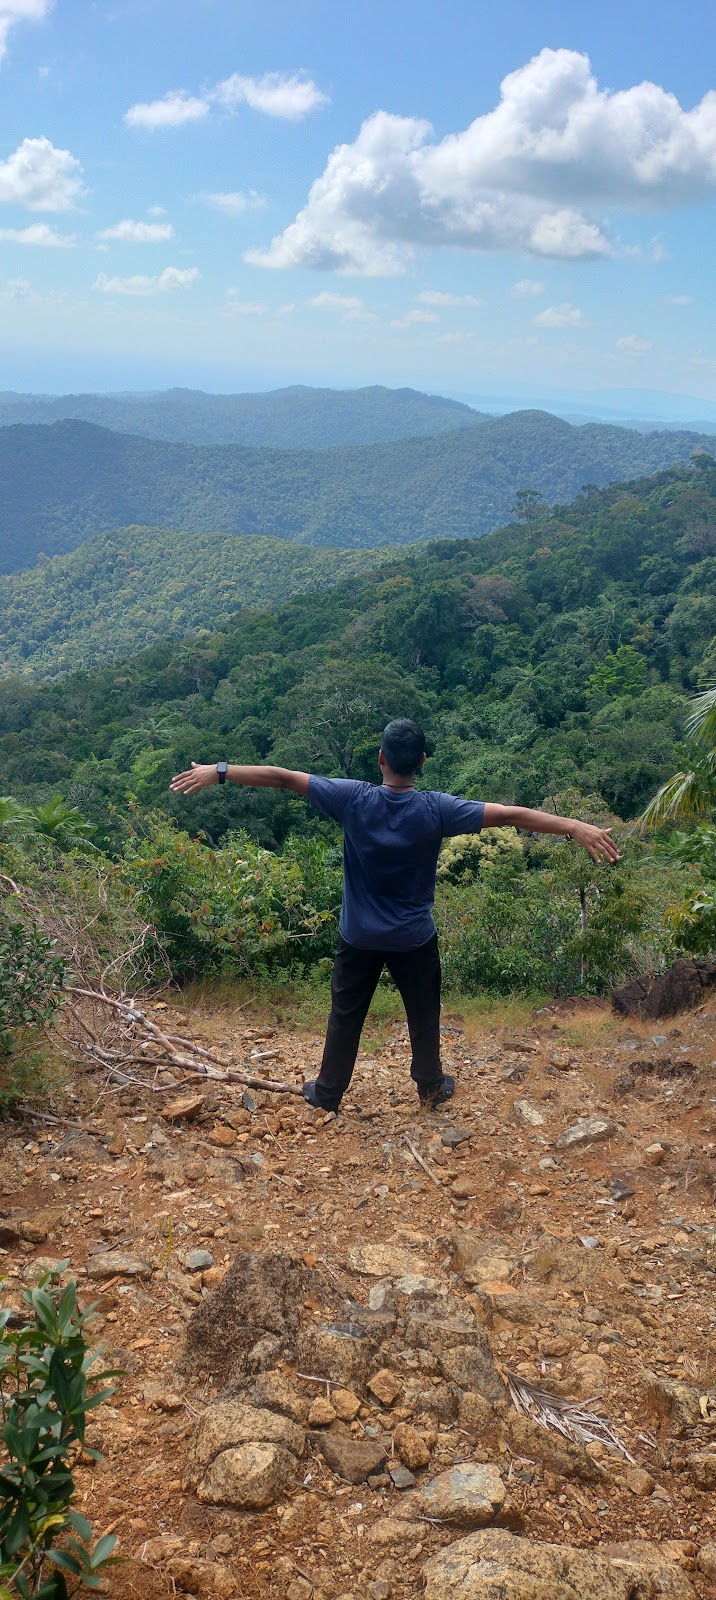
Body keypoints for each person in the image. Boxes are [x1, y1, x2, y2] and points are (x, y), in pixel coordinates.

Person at [170, 718, 620, 1112]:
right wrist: (574, 826)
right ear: (421, 761)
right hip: (413, 939)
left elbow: (285, 778)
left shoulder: (352, 799)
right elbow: (509, 815)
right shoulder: (437, 809)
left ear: (380, 758)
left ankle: (327, 1092)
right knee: (423, 1013)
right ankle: (429, 1088)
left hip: (359, 936)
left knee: (346, 1014)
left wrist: (220, 771)